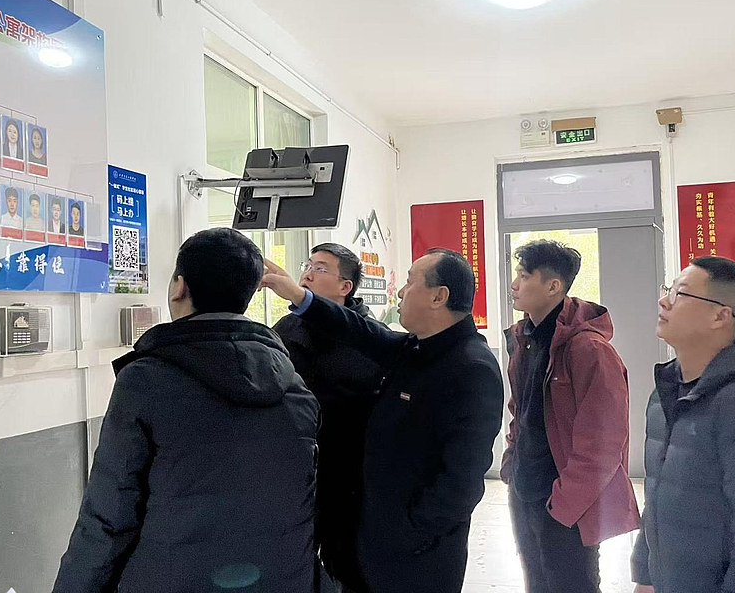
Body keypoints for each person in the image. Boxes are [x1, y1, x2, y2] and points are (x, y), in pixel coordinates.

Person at [53, 228, 320, 593]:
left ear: (179, 287)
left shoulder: (146, 381)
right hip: (283, 578)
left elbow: (109, 516)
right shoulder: (295, 388)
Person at [262, 248, 504, 593]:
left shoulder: (470, 367)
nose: (401, 292)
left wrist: (409, 533)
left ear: (438, 297)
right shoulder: (415, 349)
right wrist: (298, 296)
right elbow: (357, 329)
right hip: (375, 539)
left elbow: (461, 481)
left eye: (410, 282)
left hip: (417, 558)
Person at [500, 239, 639, 593]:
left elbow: (604, 441)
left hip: (566, 504)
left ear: (553, 286)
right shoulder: (525, 339)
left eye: (524, 276)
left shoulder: (589, 349)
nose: (514, 284)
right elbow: (521, 409)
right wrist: (512, 463)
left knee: (572, 585)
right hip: (526, 490)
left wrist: (565, 504)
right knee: (537, 584)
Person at [631, 256, 735, 593]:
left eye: (680, 294)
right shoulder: (666, 391)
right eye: (668, 289)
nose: (664, 301)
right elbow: (657, 495)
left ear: (720, 316)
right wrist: (646, 575)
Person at [273, 243, 381, 593]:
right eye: (308, 266)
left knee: (346, 563)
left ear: (345, 286)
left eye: (320, 269)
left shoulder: (369, 336)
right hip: (296, 468)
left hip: (349, 471)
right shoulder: (287, 328)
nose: (307, 274)